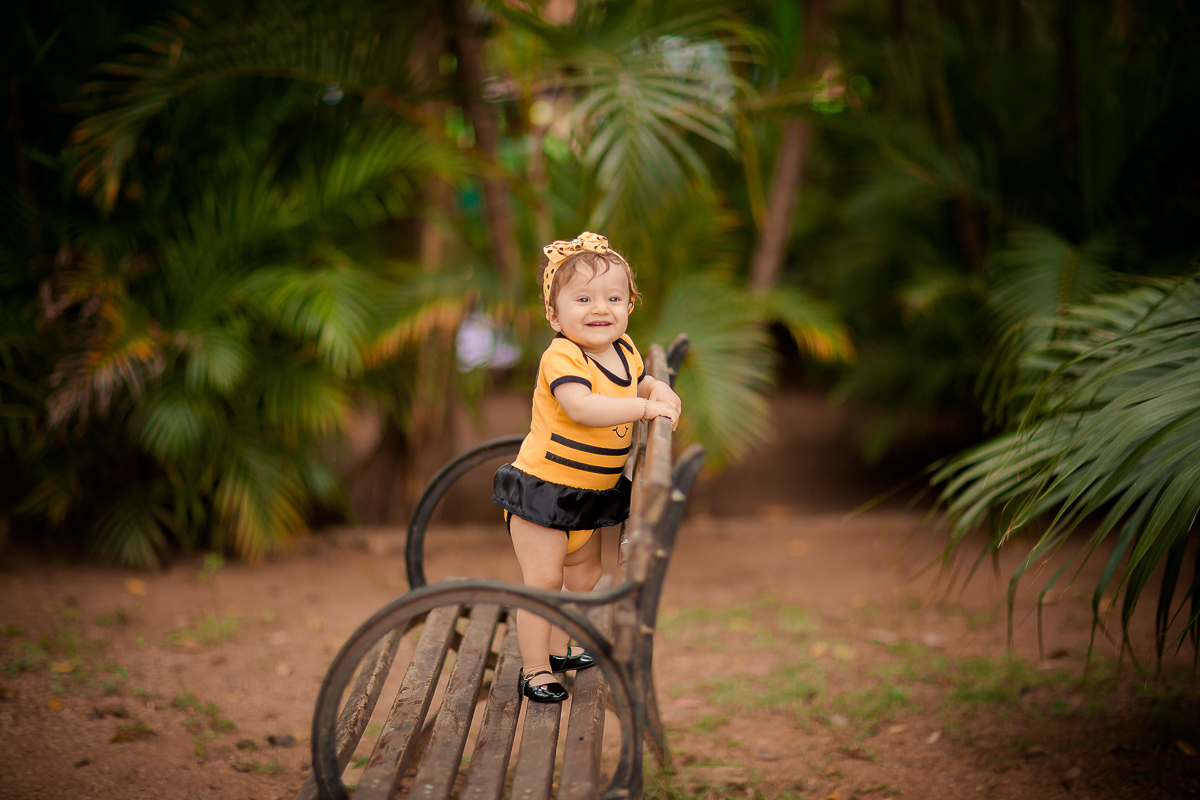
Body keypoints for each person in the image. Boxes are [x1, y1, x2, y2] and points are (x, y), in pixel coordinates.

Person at [493, 232, 682, 703]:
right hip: (545, 491)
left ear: (630, 306)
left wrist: (658, 392)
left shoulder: (623, 351)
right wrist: (644, 412)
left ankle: (558, 650)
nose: (601, 308)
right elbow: (582, 407)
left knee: (583, 578)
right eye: (583, 299)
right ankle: (535, 670)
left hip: (588, 497)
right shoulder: (562, 356)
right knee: (543, 584)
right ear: (555, 316)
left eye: (614, 298)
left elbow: (636, 384)